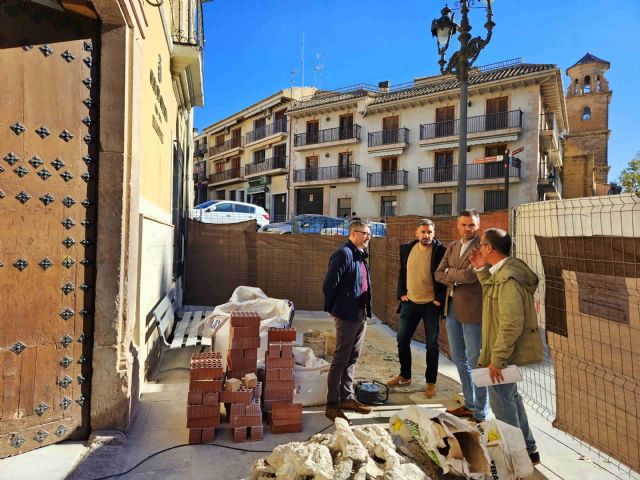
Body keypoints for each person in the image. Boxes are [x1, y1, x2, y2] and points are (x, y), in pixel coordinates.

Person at [469, 228, 543, 465]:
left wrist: (497, 359)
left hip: (504, 354)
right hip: (502, 352)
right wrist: (481, 268)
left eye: (481, 244)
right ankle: (529, 451)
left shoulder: (509, 278)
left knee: (503, 405)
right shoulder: (502, 273)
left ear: (489, 248)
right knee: (510, 398)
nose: (479, 248)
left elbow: (511, 323)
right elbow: (492, 291)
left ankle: (516, 456)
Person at [434, 209, 488, 422]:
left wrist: (451, 274)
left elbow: (470, 276)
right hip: (452, 307)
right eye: (464, 224)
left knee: (476, 360)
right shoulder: (452, 246)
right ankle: (469, 403)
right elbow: (438, 273)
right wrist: (454, 276)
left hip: (473, 310)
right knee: (458, 358)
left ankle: (481, 411)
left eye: (472, 225)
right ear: (458, 225)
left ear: (478, 226)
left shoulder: (482, 248)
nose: (468, 229)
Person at [387, 219, 446, 398]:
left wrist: (439, 299)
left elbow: (445, 275)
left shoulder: (441, 251)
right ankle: (405, 375)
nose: (426, 235)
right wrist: (401, 293)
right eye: (423, 232)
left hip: (430, 305)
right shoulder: (407, 249)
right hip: (410, 302)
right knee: (402, 339)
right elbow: (402, 272)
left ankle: (430, 382)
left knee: (432, 346)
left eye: (429, 232)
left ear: (434, 233)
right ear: (417, 232)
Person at [322, 219, 373, 424]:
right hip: (346, 314)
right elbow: (329, 285)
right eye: (364, 233)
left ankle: (347, 397)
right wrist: (333, 309)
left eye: (370, 234)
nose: (368, 237)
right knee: (340, 360)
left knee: (353, 357)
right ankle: (332, 405)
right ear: (352, 234)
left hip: (361, 313)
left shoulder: (360, 255)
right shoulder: (343, 254)